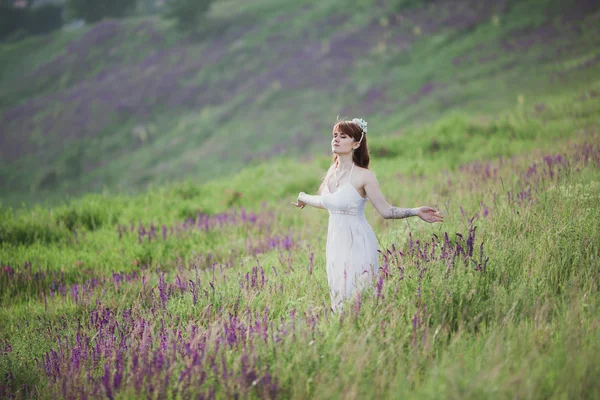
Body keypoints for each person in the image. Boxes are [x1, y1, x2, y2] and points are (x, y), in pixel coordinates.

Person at [291, 118, 444, 312]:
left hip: (358, 242)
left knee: (359, 297)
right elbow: (327, 202)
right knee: (339, 297)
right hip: (336, 244)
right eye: (334, 135)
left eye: (343, 136)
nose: (336, 139)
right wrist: (303, 197)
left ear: (356, 143)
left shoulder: (365, 176)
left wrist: (415, 211)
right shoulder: (331, 172)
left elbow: (386, 211)